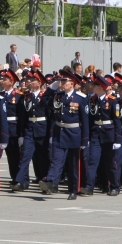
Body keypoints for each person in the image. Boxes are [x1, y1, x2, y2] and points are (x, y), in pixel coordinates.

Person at [40, 71, 90, 199]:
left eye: (64, 81)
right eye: (60, 81)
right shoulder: (58, 96)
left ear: (72, 83)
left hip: (74, 134)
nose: (61, 83)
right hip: (59, 133)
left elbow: (85, 121)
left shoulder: (81, 98)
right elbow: (43, 102)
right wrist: (51, 88)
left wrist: (85, 140)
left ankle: (73, 190)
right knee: (56, 160)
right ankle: (50, 182)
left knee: (73, 164)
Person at [80, 75, 122, 196]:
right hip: (96, 134)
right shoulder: (92, 100)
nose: (92, 87)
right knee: (93, 160)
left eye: (95, 86)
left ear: (100, 87)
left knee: (110, 162)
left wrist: (118, 139)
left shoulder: (113, 100)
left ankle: (115, 186)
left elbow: (117, 121)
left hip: (109, 134)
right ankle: (89, 186)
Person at [11, 70, 54, 192]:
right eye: (28, 80)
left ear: (39, 82)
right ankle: (20, 181)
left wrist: (50, 134)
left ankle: (44, 180)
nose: (28, 82)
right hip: (29, 130)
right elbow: (22, 117)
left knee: (43, 158)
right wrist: (21, 135)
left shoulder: (44, 96)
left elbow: (50, 117)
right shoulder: (25, 97)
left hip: (43, 130)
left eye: (31, 80)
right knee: (25, 156)